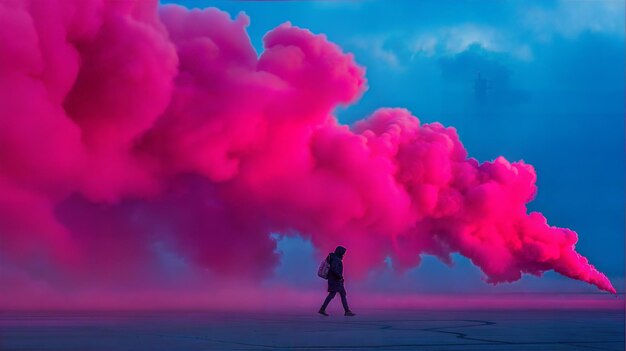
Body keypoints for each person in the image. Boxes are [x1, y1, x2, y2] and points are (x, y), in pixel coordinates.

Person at [318, 246, 356, 316]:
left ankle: (346, 311)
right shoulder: (336, 259)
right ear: (339, 252)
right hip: (336, 281)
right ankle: (346, 311)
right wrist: (340, 276)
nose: (343, 254)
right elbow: (333, 269)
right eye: (343, 253)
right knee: (336, 294)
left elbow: (333, 269)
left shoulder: (335, 258)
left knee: (341, 294)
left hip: (335, 281)